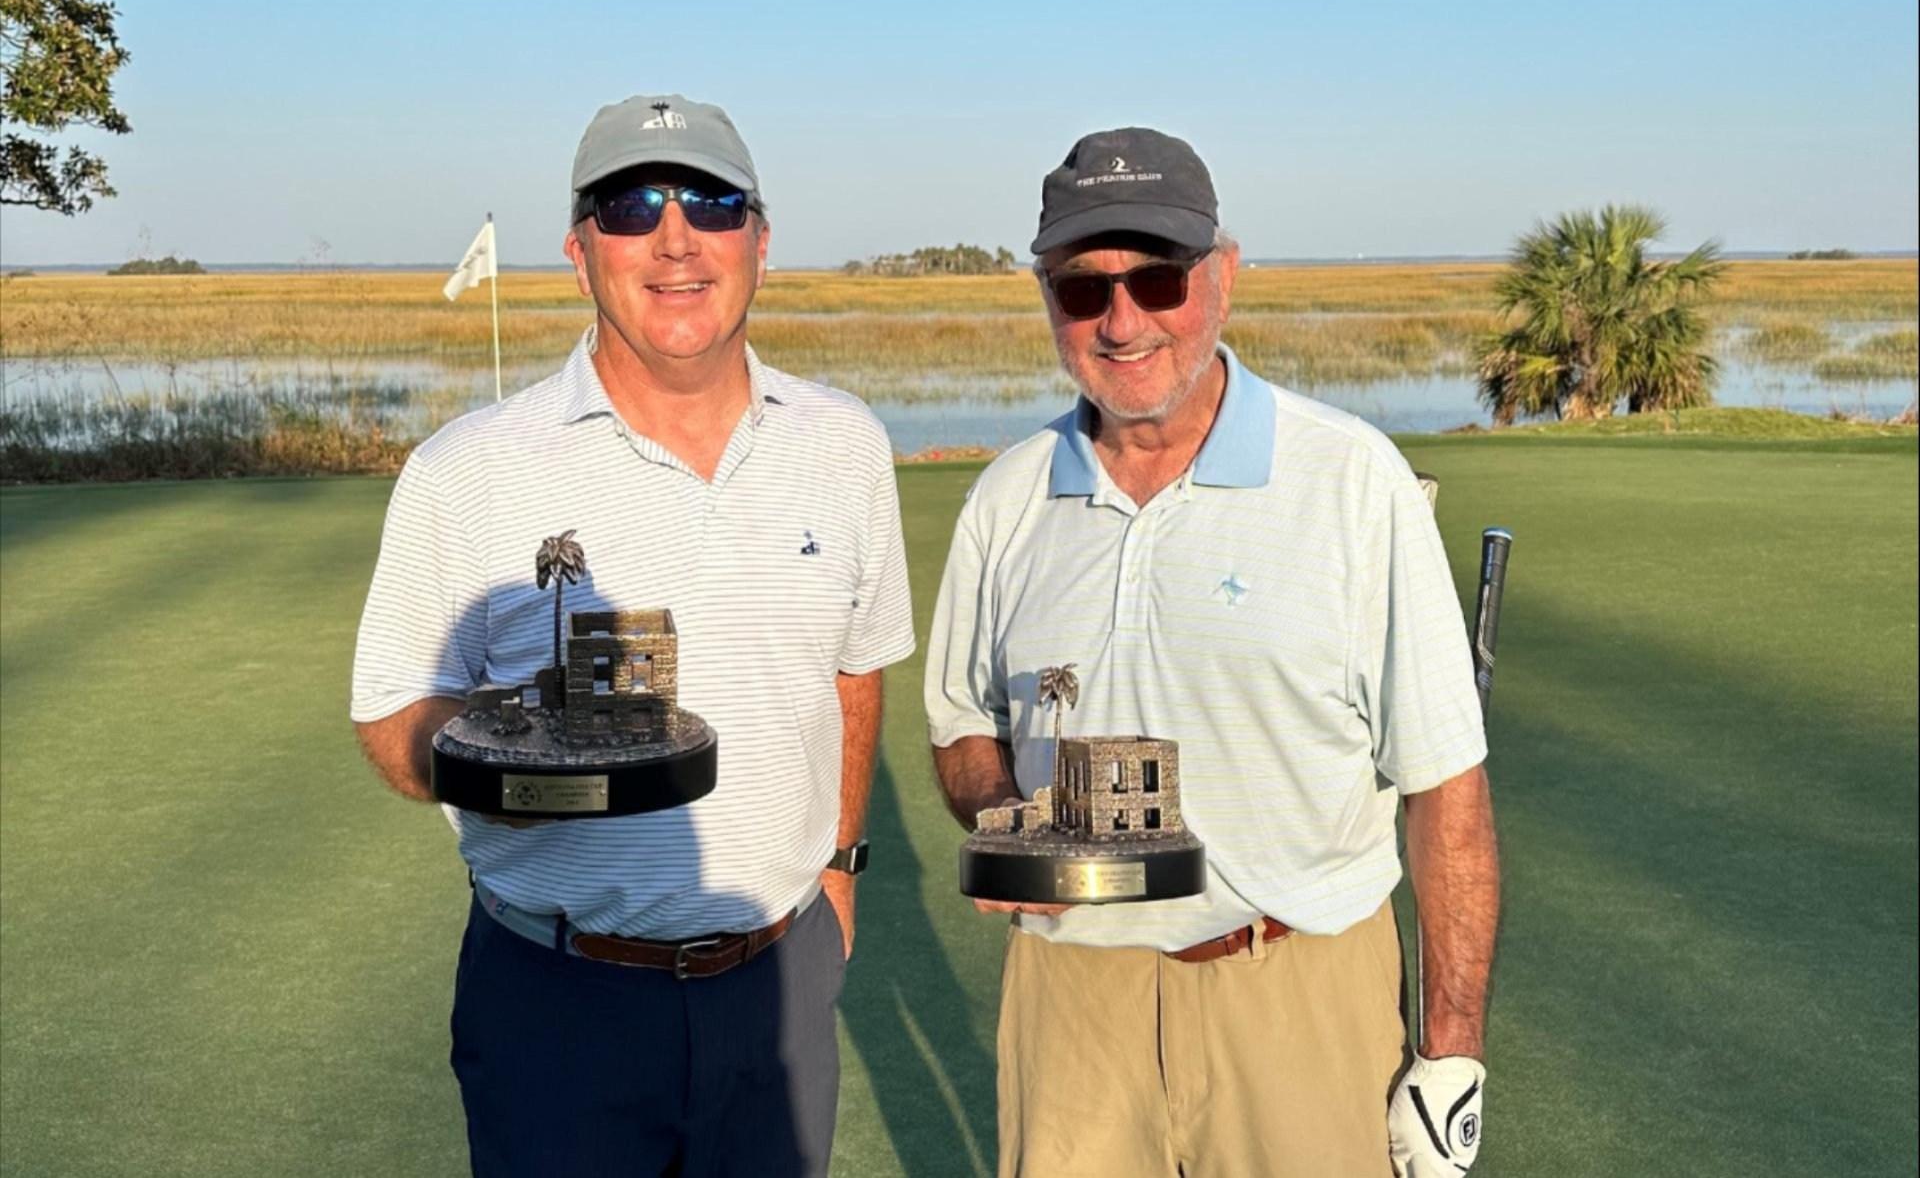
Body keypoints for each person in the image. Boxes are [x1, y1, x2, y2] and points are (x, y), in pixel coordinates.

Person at [352, 94, 915, 1177]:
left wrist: (840, 872)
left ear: (759, 241)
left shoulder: (845, 444)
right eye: (630, 206)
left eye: (711, 201)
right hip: (558, 999)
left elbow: (854, 669)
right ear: (579, 253)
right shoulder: (465, 469)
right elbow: (390, 714)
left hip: (779, 983)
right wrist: (509, 764)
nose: (675, 237)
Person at [923, 127, 1500, 1177]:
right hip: (1070, 1000)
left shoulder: (1353, 481)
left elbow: (1446, 790)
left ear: (1223, 276)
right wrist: (1004, 818)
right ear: (1046, 296)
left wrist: (1451, 1051)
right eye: (1083, 288)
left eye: (1158, 277)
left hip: (1297, 989)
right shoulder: (1006, 499)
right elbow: (963, 725)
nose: (1122, 320)